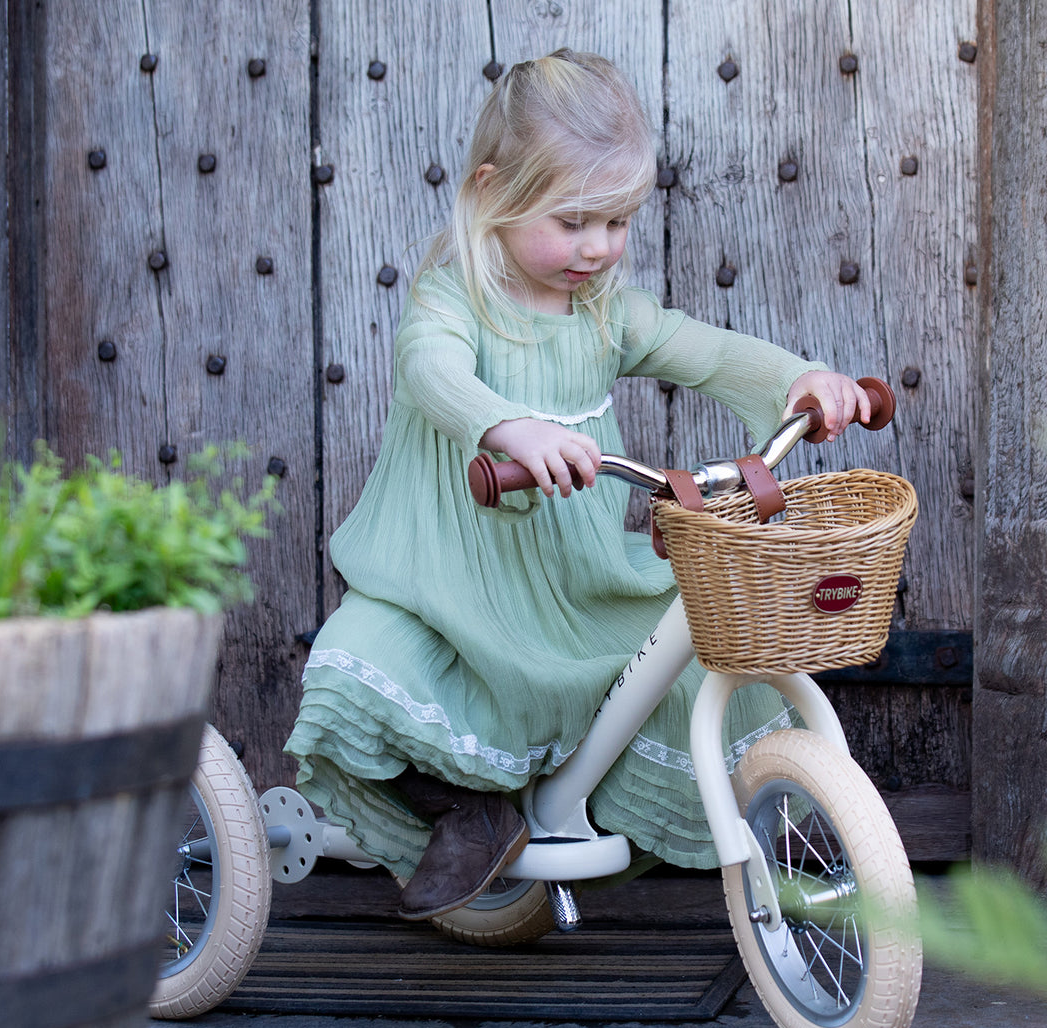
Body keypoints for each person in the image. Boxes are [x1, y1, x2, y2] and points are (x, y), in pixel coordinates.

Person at [285, 49, 871, 921]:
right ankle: (458, 808)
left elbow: (706, 351)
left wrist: (803, 378)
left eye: (617, 222)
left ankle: (678, 819)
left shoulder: (606, 318)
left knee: (696, 652)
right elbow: (428, 370)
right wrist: (505, 426)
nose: (597, 248)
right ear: (491, 193)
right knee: (353, 670)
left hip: (572, 587)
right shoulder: (457, 301)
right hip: (447, 586)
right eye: (572, 221)